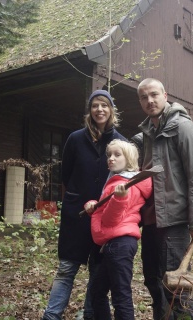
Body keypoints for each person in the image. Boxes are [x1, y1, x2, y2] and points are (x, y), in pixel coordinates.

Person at [42, 90, 126, 320]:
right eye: (95, 106)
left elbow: (125, 176)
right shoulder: (76, 138)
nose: (100, 110)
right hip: (76, 214)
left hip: (105, 216)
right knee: (67, 269)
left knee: (97, 272)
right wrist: (77, 197)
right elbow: (65, 174)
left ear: (111, 110)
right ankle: (51, 316)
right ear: (89, 111)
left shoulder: (120, 142)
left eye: (104, 105)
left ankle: (90, 315)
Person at [135, 78, 193, 320]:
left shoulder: (185, 128)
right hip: (151, 221)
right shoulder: (147, 133)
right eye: (144, 97)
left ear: (165, 95)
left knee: (178, 288)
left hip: (175, 222)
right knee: (153, 282)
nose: (150, 100)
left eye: (154, 94)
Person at [84, 139, 152, 320]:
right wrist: (92, 205)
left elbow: (110, 219)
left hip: (120, 243)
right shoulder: (117, 181)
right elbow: (103, 209)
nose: (111, 159)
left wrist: (119, 199)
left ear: (128, 158)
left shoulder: (127, 185)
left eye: (117, 155)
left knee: (120, 295)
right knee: (97, 291)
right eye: (109, 155)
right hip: (112, 243)